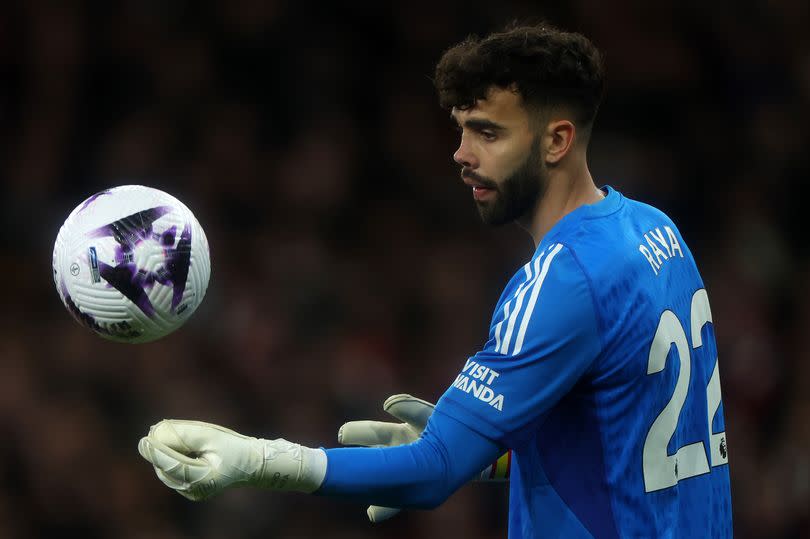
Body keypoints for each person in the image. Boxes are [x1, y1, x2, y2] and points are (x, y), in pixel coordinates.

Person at [138, 23, 733, 538]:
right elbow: (637, 433)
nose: (461, 153)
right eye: (461, 129)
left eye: (488, 132)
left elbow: (434, 468)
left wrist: (259, 460)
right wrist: (494, 460)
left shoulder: (562, 280)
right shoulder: (657, 231)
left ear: (557, 140)